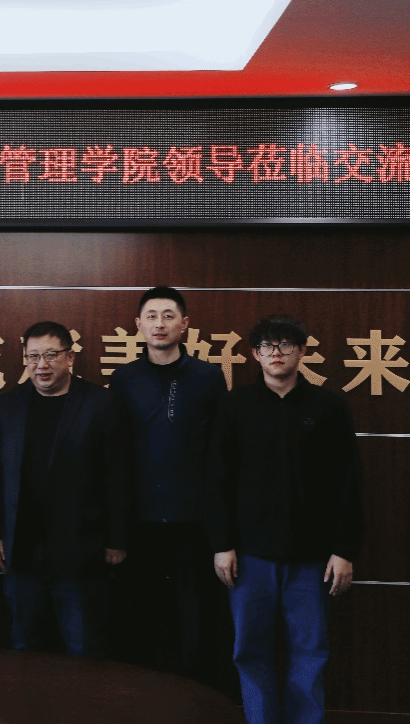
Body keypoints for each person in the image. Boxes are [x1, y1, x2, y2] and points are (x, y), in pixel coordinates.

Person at [206, 314, 364, 724]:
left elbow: (348, 481)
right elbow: (217, 480)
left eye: (285, 345)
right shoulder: (235, 406)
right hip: (249, 556)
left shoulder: (329, 407)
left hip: (312, 557)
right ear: (255, 354)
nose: (276, 353)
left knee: (310, 651)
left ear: (303, 350)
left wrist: (344, 550)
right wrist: (222, 544)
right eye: (267, 346)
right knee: (250, 651)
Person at [0, 321, 129, 658]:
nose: (42, 365)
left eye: (51, 355)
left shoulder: (100, 403)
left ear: (70, 358)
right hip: (22, 551)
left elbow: (118, 475)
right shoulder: (9, 406)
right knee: (25, 647)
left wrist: (117, 538)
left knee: (83, 649)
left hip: (81, 550)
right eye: (33, 356)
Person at [108, 286, 226, 677]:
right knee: (139, 621)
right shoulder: (124, 379)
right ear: (138, 324)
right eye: (152, 316)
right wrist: (116, 531)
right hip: (138, 524)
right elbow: (115, 456)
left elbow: (220, 453)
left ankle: (197, 701)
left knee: (196, 622)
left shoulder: (208, 376)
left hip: (194, 524)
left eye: (169, 316)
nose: (160, 324)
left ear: (185, 324)